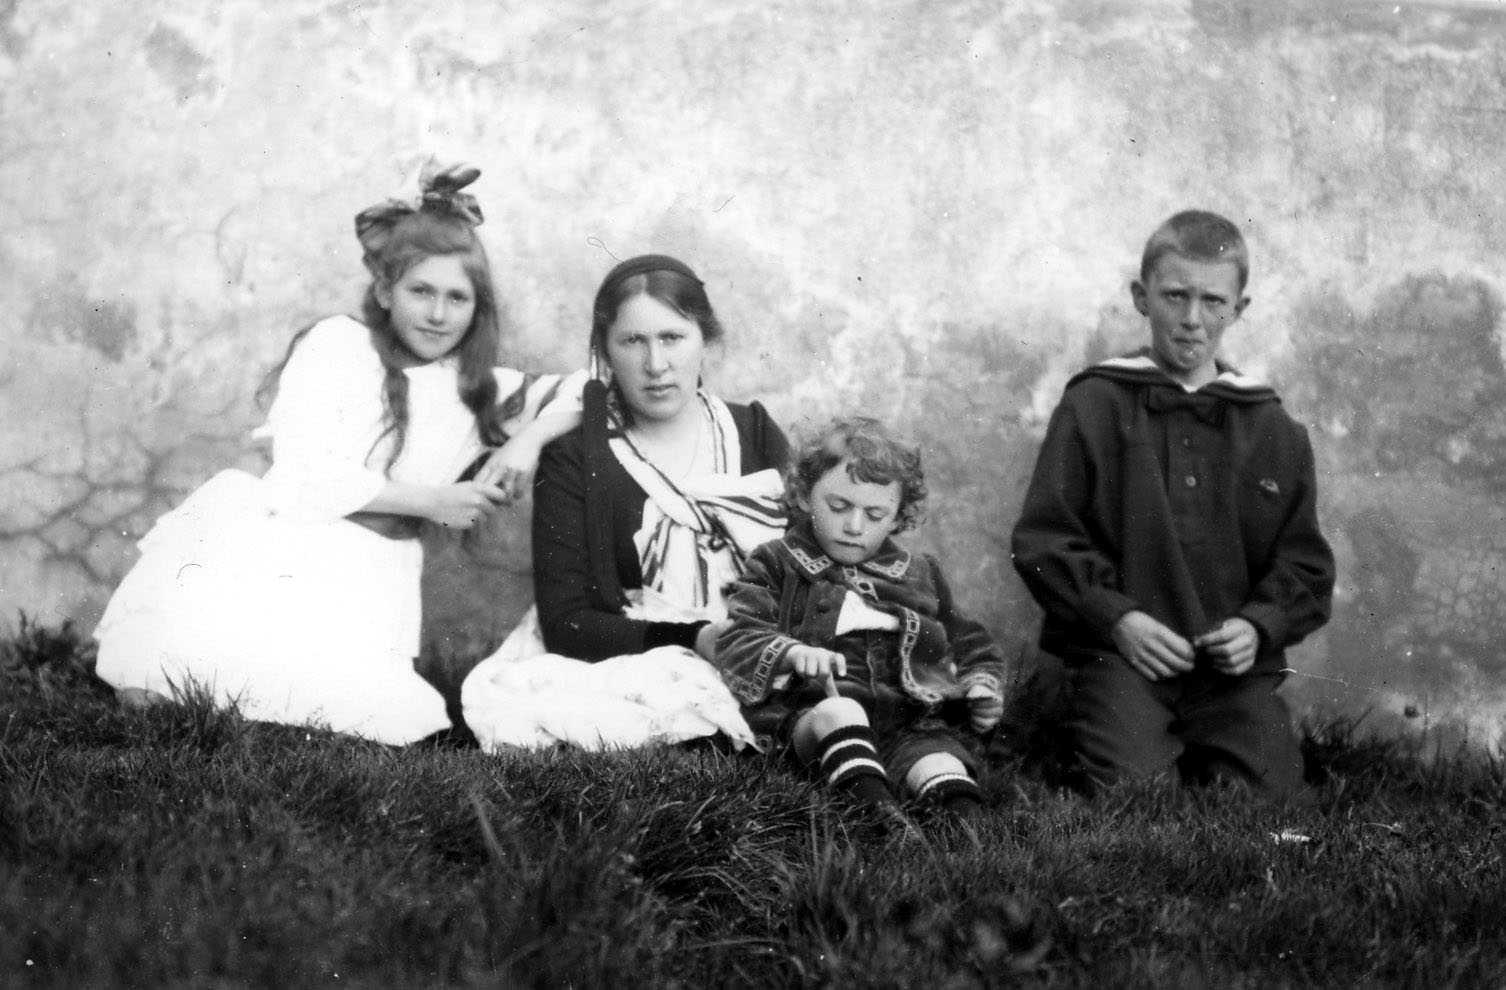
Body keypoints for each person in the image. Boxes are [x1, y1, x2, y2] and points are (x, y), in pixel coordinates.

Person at [93, 162, 585, 746]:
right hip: (283, 542)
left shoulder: (476, 388)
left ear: (477, 308)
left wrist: (529, 439)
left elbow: (589, 388)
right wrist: (432, 502)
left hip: (372, 572)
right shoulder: (339, 346)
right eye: (420, 291)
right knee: (169, 682)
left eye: (457, 298)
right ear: (384, 290)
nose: (437, 314)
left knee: (357, 715)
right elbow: (305, 476)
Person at [1010, 209, 1335, 799]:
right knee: (1133, 797)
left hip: (1229, 675)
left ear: (1239, 309)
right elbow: (1044, 539)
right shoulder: (1095, 405)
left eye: (1213, 302)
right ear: (1142, 297)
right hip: (1124, 660)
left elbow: (1306, 567)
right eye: (1175, 296)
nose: (1192, 320)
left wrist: (1257, 627)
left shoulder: (1272, 427)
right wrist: (1118, 619)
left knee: (1275, 808)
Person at [459, 254, 790, 750]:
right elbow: (566, 622)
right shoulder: (577, 458)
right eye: (633, 341)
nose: (656, 365)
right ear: (605, 352)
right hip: (644, 649)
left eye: (673, 338)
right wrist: (693, 639)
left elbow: (810, 564)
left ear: (706, 341)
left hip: (755, 637)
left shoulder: (753, 432)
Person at [716, 417, 1008, 821]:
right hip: (815, 713)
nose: (854, 527)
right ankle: (879, 821)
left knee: (941, 764)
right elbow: (739, 635)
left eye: (874, 514)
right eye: (839, 507)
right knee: (841, 713)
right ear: (804, 495)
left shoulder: (920, 572)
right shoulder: (776, 562)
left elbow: (968, 638)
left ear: (897, 516)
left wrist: (981, 685)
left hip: (910, 723)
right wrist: (790, 652)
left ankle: (970, 841)